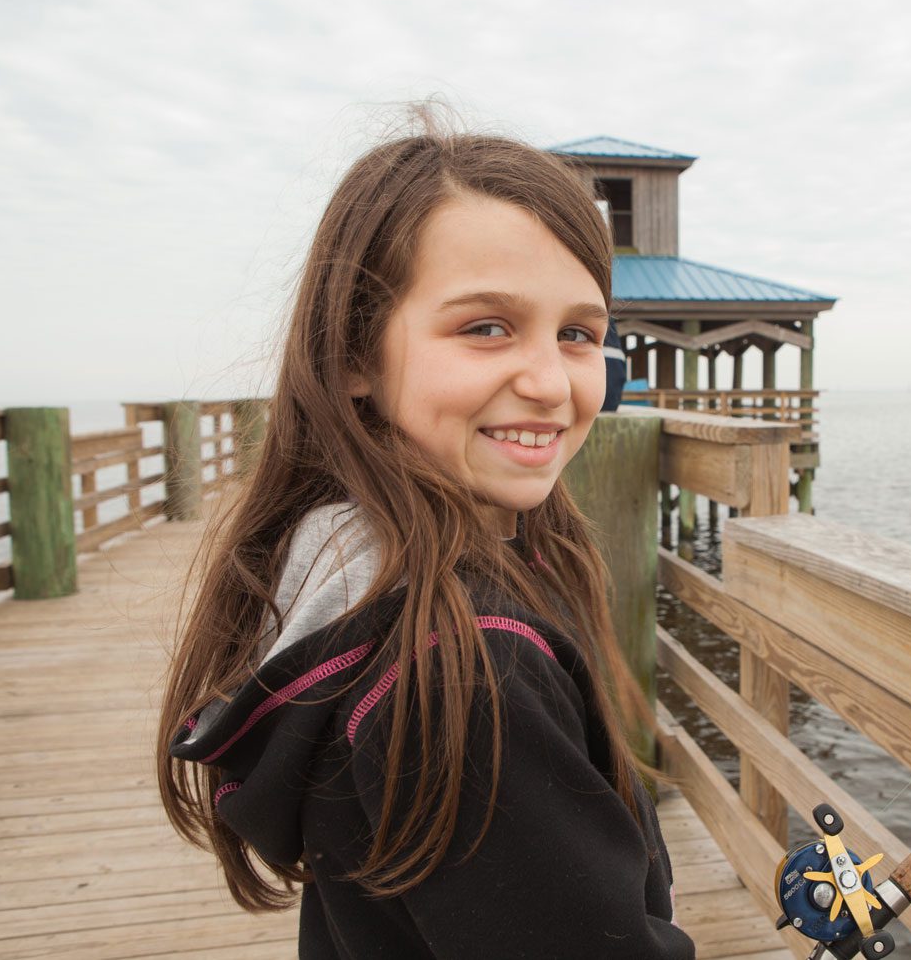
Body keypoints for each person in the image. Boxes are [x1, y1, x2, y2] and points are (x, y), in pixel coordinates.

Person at [157, 121, 695, 959]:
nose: (550, 383)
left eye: (580, 333)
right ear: (352, 356)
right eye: (486, 327)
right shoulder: (469, 675)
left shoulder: (329, 572)